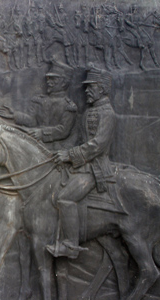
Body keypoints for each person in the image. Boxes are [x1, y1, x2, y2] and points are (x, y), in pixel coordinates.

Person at [46, 66, 116, 259]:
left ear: (102, 88)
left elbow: (97, 145)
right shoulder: (90, 111)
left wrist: (70, 155)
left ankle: (70, 246)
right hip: (82, 165)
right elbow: (79, 139)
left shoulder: (107, 113)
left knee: (66, 198)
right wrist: (58, 152)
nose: (86, 91)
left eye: (90, 86)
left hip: (96, 168)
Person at [0, 60, 77, 151]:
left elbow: (63, 130)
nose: (49, 82)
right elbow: (33, 121)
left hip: (54, 149)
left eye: (54, 79)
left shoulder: (68, 106)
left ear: (64, 82)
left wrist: (42, 133)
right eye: (49, 79)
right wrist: (14, 115)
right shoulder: (40, 100)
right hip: (34, 144)